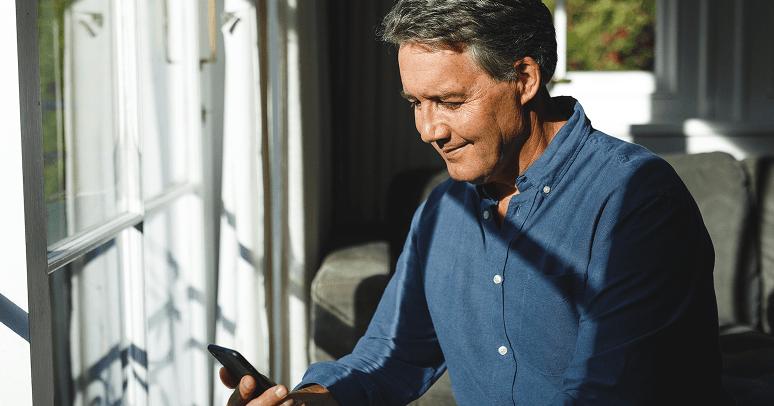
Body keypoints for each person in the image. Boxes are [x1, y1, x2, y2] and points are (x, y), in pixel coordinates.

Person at [221, 0, 736, 404]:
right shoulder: (444, 210)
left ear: (525, 80)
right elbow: (392, 357)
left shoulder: (638, 200)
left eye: (448, 101)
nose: (427, 130)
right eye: (415, 104)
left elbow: (608, 395)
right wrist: (305, 402)